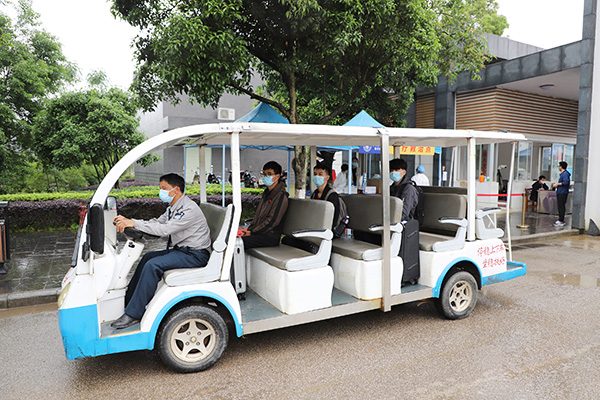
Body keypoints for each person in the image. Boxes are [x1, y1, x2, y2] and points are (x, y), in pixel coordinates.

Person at [111, 173, 211, 329]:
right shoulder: (173, 207)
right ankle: (129, 302)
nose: (161, 192)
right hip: (182, 251)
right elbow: (157, 223)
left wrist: (134, 223)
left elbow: (165, 230)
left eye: (164, 188)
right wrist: (132, 222)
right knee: (148, 257)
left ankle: (134, 314)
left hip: (195, 255)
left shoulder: (188, 209)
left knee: (153, 265)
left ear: (176, 189)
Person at [240, 161, 289, 249]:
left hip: (270, 236)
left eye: (269, 174)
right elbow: (258, 216)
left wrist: (253, 232)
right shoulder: (266, 193)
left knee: (238, 244)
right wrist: (250, 230)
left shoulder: (280, 196)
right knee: (234, 239)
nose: (266, 177)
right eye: (264, 174)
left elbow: (272, 221)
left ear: (277, 176)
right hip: (260, 233)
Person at [310, 162, 343, 236]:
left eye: (320, 174)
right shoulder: (314, 194)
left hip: (328, 231)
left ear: (327, 177)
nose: (317, 177)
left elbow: (334, 219)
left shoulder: (332, 195)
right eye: (315, 174)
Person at [552, 161, 571, 226]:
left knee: (561, 206)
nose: (558, 167)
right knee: (560, 206)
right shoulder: (563, 174)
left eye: (559, 166)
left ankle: (561, 220)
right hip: (560, 192)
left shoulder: (565, 174)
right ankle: (560, 219)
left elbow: (566, 182)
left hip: (562, 193)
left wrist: (557, 184)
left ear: (561, 167)